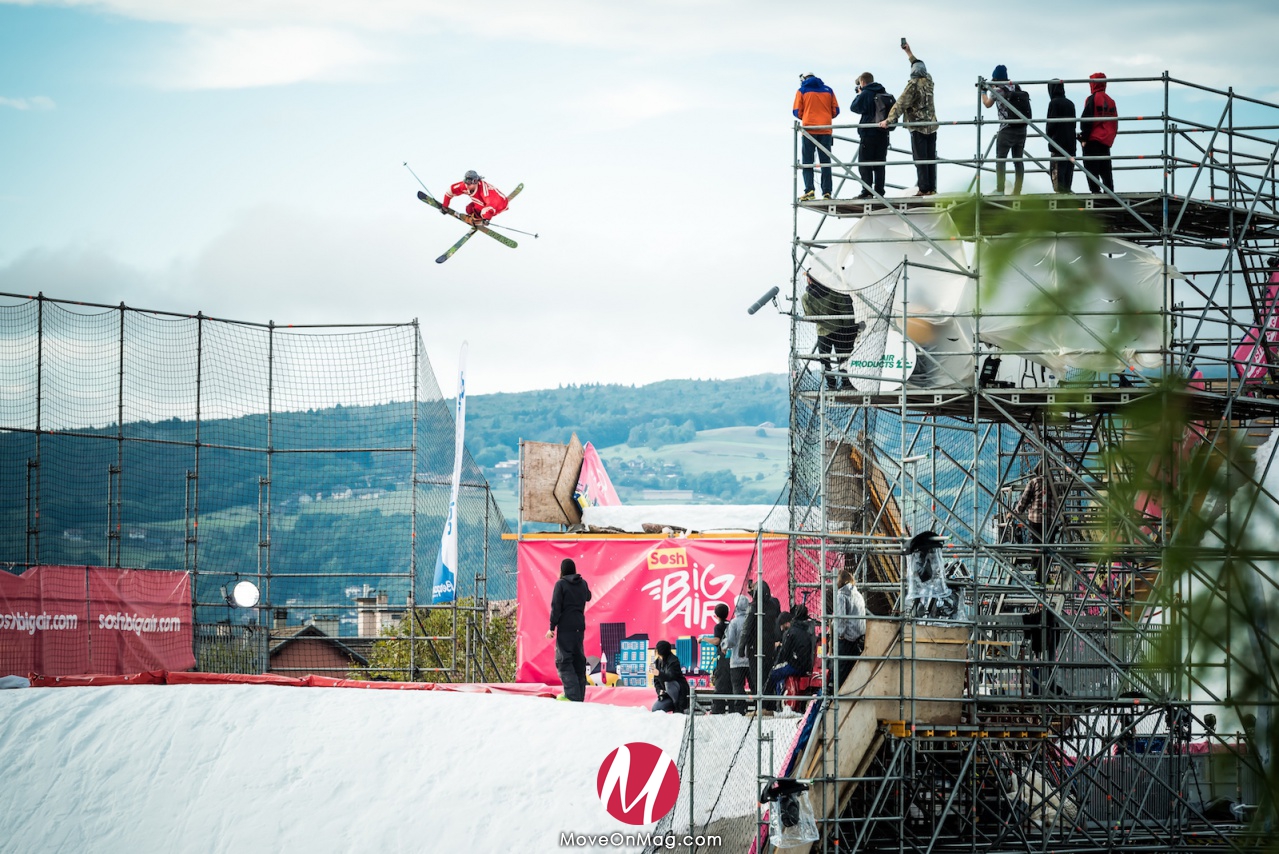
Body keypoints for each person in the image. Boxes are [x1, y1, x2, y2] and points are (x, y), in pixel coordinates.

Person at [879, 41, 938, 196]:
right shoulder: (929, 81)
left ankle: (923, 189)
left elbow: (901, 104)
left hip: (918, 126)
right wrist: (909, 53)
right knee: (930, 158)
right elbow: (919, 65)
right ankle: (932, 188)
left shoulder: (912, 85)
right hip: (931, 125)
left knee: (920, 159)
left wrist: (888, 120)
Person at [802, 269, 864, 391]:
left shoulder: (806, 297)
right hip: (839, 330)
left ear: (809, 280)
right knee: (843, 357)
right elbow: (844, 311)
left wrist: (823, 319)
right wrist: (849, 329)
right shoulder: (833, 292)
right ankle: (846, 383)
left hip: (822, 333)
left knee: (825, 360)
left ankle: (831, 385)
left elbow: (810, 316)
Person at [545, 558, 591, 702]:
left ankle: (572, 697)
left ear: (562, 570)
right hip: (579, 627)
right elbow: (588, 596)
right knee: (578, 661)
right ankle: (579, 696)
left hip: (565, 628)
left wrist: (551, 627)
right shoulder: (582, 583)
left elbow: (556, 607)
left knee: (564, 661)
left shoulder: (561, 584)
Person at [981, 65, 1028, 196]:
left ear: (995, 78)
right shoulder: (1016, 87)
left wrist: (983, 92)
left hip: (1006, 129)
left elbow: (987, 104)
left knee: (1000, 159)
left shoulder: (998, 90)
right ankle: (1017, 190)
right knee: (1018, 160)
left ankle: (1000, 190)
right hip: (1021, 128)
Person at [793, 73, 840, 201]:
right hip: (825, 130)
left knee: (807, 162)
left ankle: (810, 190)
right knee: (826, 162)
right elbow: (835, 111)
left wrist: (809, 115)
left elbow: (797, 111)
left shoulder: (802, 91)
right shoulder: (828, 90)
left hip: (809, 129)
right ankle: (827, 192)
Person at [764, 603, 816, 709]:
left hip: (795, 665)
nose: (782, 628)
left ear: (787, 623)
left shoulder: (790, 633)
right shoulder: (808, 630)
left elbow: (784, 652)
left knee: (773, 674)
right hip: (806, 665)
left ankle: (764, 705)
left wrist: (776, 663)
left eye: (783, 626)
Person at [848, 72, 891, 199]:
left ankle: (867, 191)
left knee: (865, 164)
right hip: (883, 133)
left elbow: (854, 107)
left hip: (869, 133)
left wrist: (860, 94)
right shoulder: (883, 92)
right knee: (879, 164)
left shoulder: (867, 93)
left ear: (862, 82)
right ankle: (879, 191)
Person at [740, 578, 781, 702]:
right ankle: (770, 704)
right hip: (769, 645)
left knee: (757, 677)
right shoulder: (774, 604)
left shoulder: (753, 607)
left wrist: (741, 648)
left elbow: (746, 629)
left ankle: (760, 705)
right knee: (768, 675)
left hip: (755, 646)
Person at [828, 566, 867, 692]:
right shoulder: (858, 595)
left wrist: (839, 634)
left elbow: (841, 618)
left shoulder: (841, 595)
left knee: (839, 673)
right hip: (859, 639)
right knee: (852, 673)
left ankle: (836, 699)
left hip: (846, 639)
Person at [1079, 73, 1118, 193]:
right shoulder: (1111, 101)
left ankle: (1095, 192)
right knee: (1105, 169)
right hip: (1106, 140)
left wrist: (1083, 138)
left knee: (1091, 168)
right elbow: (1114, 122)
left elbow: (1087, 119)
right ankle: (1109, 191)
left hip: (1093, 139)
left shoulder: (1092, 98)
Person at [441, 170, 510, 226]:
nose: (467, 185)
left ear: (475, 182)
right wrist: (445, 205)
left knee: (480, 211)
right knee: (469, 209)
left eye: (469, 183)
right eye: (466, 182)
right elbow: (450, 191)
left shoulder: (484, 192)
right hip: (484, 202)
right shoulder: (465, 186)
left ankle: (476, 220)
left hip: (500, 204)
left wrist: (486, 218)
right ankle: (475, 217)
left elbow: (492, 206)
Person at [1045, 80, 1078, 193]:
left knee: (1058, 178)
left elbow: (1051, 125)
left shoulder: (1053, 103)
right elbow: (1074, 124)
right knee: (1067, 177)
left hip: (1058, 145)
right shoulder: (1070, 103)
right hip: (1071, 144)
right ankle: (1067, 197)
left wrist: (1048, 135)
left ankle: (1061, 200)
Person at [723, 594, 751, 714]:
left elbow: (730, 641)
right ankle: (758, 707)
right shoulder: (752, 621)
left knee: (738, 686)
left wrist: (723, 645)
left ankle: (740, 710)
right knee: (754, 685)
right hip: (750, 660)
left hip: (736, 661)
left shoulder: (733, 623)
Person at [650, 640, 690, 713]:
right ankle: (671, 704)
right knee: (655, 709)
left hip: (679, 692)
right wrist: (659, 691)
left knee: (668, 683)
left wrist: (659, 673)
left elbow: (671, 677)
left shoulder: (673, 660)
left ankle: (677, 707)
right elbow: (656, 681)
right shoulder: (657, 662)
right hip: (667, 694)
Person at [710, 602, 732, 714]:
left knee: (720, 684)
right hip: (733, 659)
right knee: (732, 685)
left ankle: (718, 710)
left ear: (716, 615)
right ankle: (734, 710)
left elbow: (717, 641)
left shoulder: (718, 626)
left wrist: (703, 639)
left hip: (723, 659)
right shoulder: (731, 624)